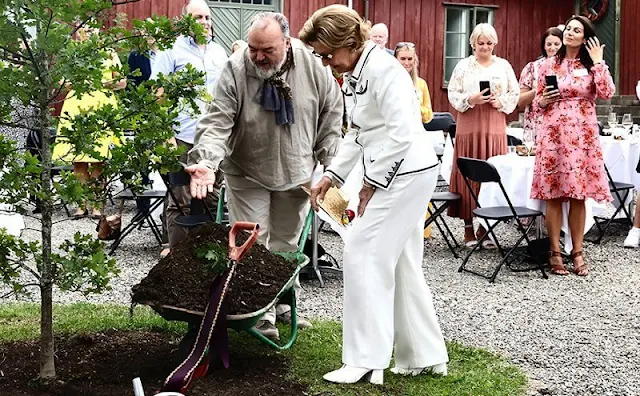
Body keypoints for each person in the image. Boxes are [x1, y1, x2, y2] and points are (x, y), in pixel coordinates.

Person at [300, 5, 448, 385]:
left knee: (362, 252)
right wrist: (331, 176)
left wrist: (370, 184)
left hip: (407, 174)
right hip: (396, 172)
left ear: (347, 42)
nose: (327, 63)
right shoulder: (358, 71)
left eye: (328, 54)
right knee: (400, 262)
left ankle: (366, 360)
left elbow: (402, 135)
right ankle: (423, 354)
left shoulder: (385, 71)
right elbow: (358, 133)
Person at [186, 12, 343, 341]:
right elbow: (217, 121)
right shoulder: (236, 68)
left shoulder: (313, 67)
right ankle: (261, 315)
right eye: (254, 49)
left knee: (286, 246)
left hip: (297, 171)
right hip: (248, 169)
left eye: (267, 50)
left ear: (286, 42)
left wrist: (332, 168)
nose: (258, 56)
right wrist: (207, 161)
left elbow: (332, 113)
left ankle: (282, 303)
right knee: (252, 243)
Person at [532, 16, 614, 275]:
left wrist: (599, 61)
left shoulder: (592, 67)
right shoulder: (547, 65)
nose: (570, 33)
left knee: (578, 195)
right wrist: (544, 99)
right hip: (553, 135)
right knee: (554, 194)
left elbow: (607, 92)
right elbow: (536, 104)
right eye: (568, 28)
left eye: (576, 30)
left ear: (585, 38)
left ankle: (577, 251)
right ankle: (554, 251)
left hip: (581, 138)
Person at [150, 0, 228, 257]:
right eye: (198, 17)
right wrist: (164, 135)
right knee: (180, 201)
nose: (205, 22)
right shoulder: (170, 51)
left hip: (212, 142)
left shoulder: (219, 53)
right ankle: (179, 261)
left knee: (212, 200)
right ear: (184, 22)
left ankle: (207, 259)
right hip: (180, 137)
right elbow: (156, 94)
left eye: (207, 17)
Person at [447, 23, 519, 247]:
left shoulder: (504, 66)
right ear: (473, 44)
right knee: (468, 173)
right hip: (469, 122)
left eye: (489, 43)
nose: (485, 47)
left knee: (492, 171)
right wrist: (471, 99)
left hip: (494, 122)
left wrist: (501, 101)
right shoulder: (463, 66)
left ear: (494, 44)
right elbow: (453, 92)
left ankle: (485, 227)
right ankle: (468, 226)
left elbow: (514, 91)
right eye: (480, 43)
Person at [52, 25, 127, 219]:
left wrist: (101, 83)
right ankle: (80, 204)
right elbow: (60, 82)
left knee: (98, 160)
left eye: (93, 29)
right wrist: (74, 82)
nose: (89, 32)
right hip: (76, 107)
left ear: (99, 32)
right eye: (85, 29)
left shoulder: (108, 53)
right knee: (79, 160)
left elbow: (122, 82)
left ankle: (96, 205)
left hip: (101, 108)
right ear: (78, 32)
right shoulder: (74, 53)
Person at [518, 27, 563, 143]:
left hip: (562, 124)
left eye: (557, 44)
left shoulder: (570, 68)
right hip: (537, 125)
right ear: (544, 46)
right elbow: (520, 101)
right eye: (549, 44)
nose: (553, 48)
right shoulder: (532, 68)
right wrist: (537, 90)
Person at [394, 41, 433, 124]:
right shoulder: (388, 82)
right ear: (395, 60)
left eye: (410, 59)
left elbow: (428, 116)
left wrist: (415, 107)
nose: (406, 63)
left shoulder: (421, 84)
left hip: (415, 130)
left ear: (414, 60)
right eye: (403, 59)